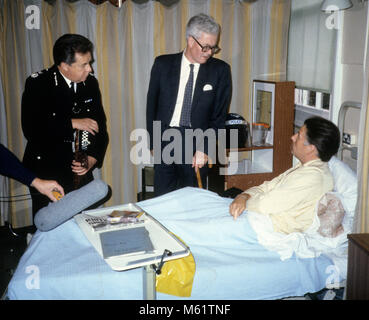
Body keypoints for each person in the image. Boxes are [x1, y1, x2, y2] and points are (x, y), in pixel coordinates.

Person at [21, 34, 109, 216]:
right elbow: (32, 129)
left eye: (89, 62)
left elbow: (100, 127)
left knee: (85, 222)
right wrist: (73, 123)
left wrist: (93, 158)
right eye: (84, 65)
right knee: (51, 225)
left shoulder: (90, 84)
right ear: (64, 66)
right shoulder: (38, 84)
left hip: (79, 169)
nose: (90, 69)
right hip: (46, 170)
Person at [146, 13, 232, 197]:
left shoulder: (221, 71)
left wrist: (205, 148)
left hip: (196, 143)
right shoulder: (162, 64)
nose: (210, 52)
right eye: (206, 47)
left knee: (192, 200)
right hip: (165, 139)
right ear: (191, 40)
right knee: (163, 198)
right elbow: (151, 106)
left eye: (213, 47)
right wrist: (153, 141)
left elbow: (219, 117)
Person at [229, 116, 341, 234]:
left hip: (267, 229)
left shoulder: (312, 177)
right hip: (256, 214)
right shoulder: (305, 167)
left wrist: (243, 199)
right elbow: (266, 187)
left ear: (310, 148)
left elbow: (264, 205)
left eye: (298, 135)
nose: (292, 137)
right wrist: (244, 196)